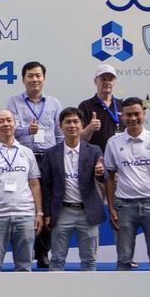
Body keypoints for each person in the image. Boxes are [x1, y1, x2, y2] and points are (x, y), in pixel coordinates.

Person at [103, 97, 150, 271]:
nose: (133, 118)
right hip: (124, 205)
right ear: (122, 116)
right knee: (124, 258)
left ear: (144, 114)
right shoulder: (113, 143)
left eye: (137, 114)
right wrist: (111, 207)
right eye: (128, 115)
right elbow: (109, 176)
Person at [5, 61, 62, 269]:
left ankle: (43, 253)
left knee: (46, 205)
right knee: (26, 203)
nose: (34, 79)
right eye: (30, 76)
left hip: (49, 157)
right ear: (23, 79)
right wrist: (26, 130)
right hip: (24, 158)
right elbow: (11, 127)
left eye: (38, 75)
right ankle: (24, 252)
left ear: (44, 79)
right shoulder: (14, 102)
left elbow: (59, 133)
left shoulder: (54, 103)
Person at [0, 110, 43, 272]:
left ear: (15, 124)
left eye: (9, 120)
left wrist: (39, 213)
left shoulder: (26, 152)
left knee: (24, 267)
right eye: (1, 121)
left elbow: (34, 183)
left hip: (24, 215)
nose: (5, 124)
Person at [41, 107, 107, 271]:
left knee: (89, 261)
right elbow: (46, 185)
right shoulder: (51, 153)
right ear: (60, 126)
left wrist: (100, 173)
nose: (72, 125)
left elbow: (104, 177)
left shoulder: (93, 150)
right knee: (56, 260)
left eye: (76, 121)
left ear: (82, 125)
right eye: (68, 122)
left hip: (88, 212)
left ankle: (89, 296)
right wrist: (47, 213)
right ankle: (55, 296)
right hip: (62, 211)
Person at [78, 64, 126, 152]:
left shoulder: (122, 105)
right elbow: (79, 139)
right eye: (103, 79)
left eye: (110, 79)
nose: (107, 82)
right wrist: (90, 128)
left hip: (119, 156)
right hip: (94, 158)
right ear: (95, 81)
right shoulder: (85, 106)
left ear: (114, 82)